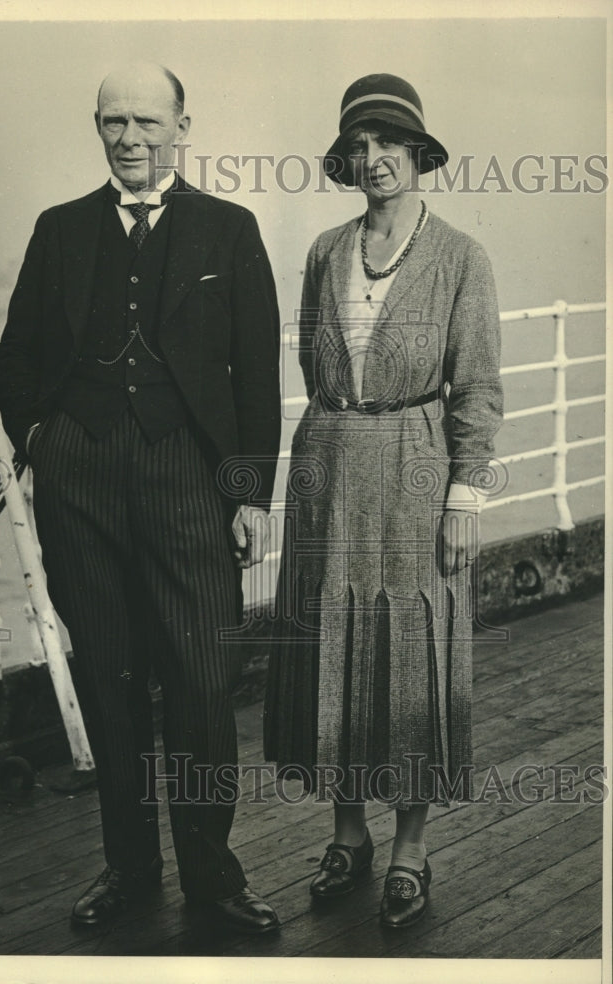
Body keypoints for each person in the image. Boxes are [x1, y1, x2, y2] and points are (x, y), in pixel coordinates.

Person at [0, 61, 281, 934]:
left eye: (147, 124)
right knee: (110, 681)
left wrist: (248, 493)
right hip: (80, 480)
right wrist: (42, 440)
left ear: (182, 128)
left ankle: (213, 879)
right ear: (98, 128)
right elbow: (17, 360)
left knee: (200, 680)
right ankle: (127, 868)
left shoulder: (228, 230)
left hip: (188, 480)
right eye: (113, 122)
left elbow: (257, 375)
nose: (129, 139)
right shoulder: (60, 230)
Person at [263, 73, 503, 928]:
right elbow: (309, 365)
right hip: (329, 460)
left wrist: (464, 493)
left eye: (388, 143)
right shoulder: (327, 251)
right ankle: (347, 833)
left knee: (409, 644)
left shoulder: (462, 257)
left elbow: (476, 386)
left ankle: (410, 847)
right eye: (358, 146)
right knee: (334, 636)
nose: (373, 159)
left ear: (418, 153)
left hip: (414, 465)